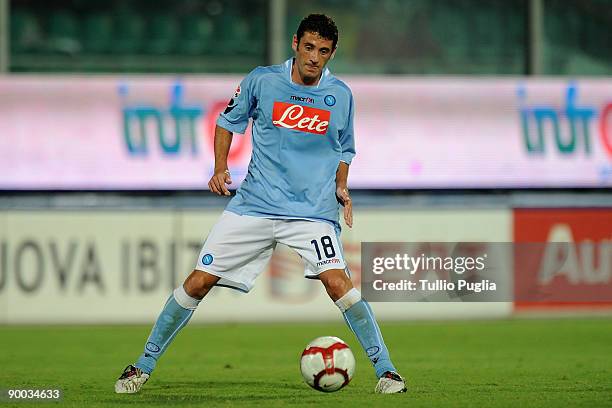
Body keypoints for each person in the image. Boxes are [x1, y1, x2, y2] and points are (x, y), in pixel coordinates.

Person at [115, 13, 406, 395]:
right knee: (197, 283)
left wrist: (342, 186)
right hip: (254, 205)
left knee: (340, 284)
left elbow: (345, 148)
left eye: (323, 51)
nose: (314, 57)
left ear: (332, 53)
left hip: (312, 213)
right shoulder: (262, 80)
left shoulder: (342, 96)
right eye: (308, 47)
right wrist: (220, 167)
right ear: (294, 44)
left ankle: (387, 371)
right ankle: (142, 365)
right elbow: (227, 121)